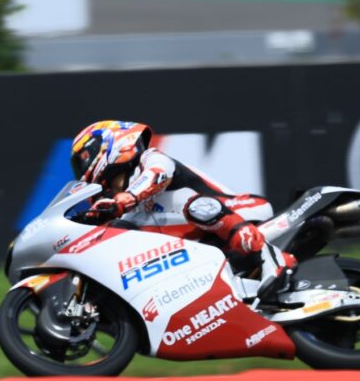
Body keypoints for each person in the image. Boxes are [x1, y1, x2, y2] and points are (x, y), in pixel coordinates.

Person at [70, 120, 294, 300]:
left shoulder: (150, 159)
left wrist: (128, 198)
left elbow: (159, 174)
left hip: (242, 209)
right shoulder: (124, 208)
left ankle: (272, 259)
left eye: (84, 159)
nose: (81, 170)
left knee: (197, 207)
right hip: (204, 241)